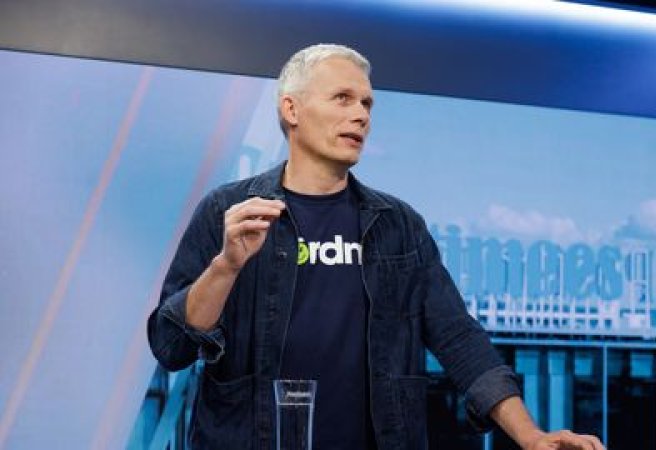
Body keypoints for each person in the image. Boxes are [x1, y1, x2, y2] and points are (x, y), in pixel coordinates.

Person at [147, 43, 605, 450]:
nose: (361, 115)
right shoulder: (228, 210)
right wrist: (226, 267)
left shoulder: (398, 225)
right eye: (343, 98)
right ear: (291, 109)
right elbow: (171, 346)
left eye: (367, 103)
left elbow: (459, 338)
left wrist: (531, 436)